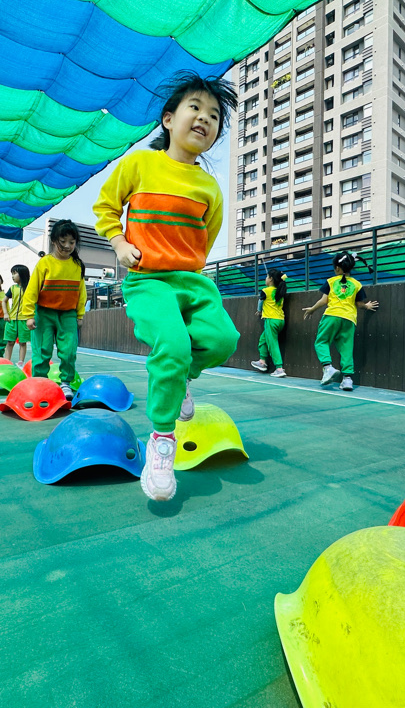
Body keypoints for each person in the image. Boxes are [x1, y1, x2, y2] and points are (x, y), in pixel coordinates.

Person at [93, 70, 239, 501]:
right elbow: (106, 207)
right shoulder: (140, 164)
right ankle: (162, 440)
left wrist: (188, 270)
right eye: (195, 107)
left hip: (192, 282)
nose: (204, 118)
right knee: (173, 346)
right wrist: (120, 243)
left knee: (224, 340)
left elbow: (205, 240)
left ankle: (181, 379)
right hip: (149, 280)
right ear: (169, 119)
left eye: (214, 116)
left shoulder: (210, 187)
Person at [20, 221, 86, 400]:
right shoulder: (45, 263)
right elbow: (32, 290)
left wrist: (80, 314)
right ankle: (39, 382)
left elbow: (81, 292)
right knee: (42, 350)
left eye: (71, 242)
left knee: (69, 351)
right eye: (62, 241)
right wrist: (29, 315)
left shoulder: (77, 265)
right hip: (44, 313)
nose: (67, 246)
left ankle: (66, 383)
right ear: (54, 241)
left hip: (68, 314)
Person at [303, 252, 378, 391]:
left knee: (321, 342)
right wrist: (367, 306)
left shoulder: (331, 281)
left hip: (332, 316)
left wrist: (312, 309)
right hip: (349, 319)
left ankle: (328, 368)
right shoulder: (357, 284)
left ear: (337, 268)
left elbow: (324, 300)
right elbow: (359, 304)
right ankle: (347, 379)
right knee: (346, 349)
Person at [251, 269, 288, 378]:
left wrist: (259, 311)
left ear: (271, 279)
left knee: (272, 344)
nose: (265, 279)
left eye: (267, 277)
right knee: (263, 340)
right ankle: (262, 362)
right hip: (280, 320)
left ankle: (279, 368)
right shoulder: (280, 291)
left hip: (270, 320)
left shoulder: (265, 291)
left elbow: (260, 301)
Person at [3, 264, 31, 365]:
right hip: (12, 319)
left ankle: (20, 363)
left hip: (24, 319)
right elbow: (4, 301)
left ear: (22, 274)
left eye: (15, 273)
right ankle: (7, 362)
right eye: (12, 274)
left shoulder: (30, 288)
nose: (12, 276)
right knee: (10, 342)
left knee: (22, 342)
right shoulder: (12, 288)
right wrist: (6, 313)